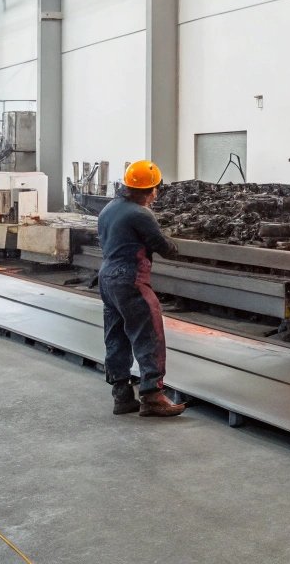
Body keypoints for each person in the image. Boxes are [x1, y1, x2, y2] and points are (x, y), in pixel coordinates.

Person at [98, 159, 185, 417]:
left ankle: (122, 395)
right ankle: (152, 395)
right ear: (150, 189)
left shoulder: (108, 209)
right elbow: (163, 246)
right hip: (130, 279)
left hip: (107, 278)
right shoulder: (140, 213)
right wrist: (175, 246)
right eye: (155, 188)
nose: (156, 193)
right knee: (149, 332)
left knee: (116, 335)